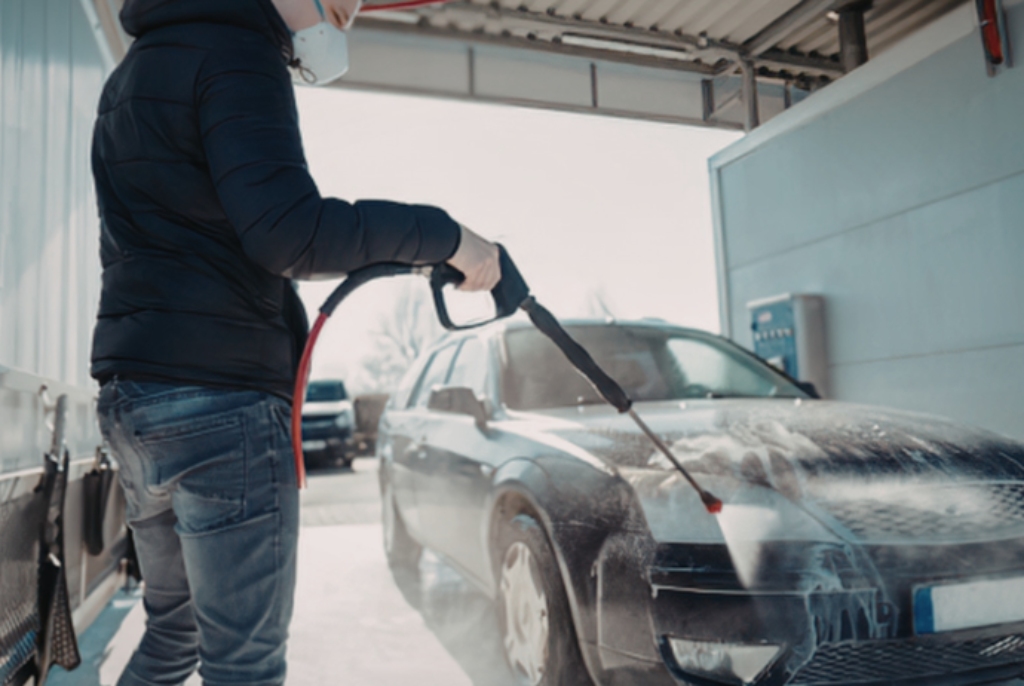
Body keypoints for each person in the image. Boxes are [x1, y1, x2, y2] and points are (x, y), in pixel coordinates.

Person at [91, 0, 500, 684]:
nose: (348, 10)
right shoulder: (235, 53)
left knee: (173, 635)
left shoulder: (131, 75)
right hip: (221, 407)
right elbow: (291, 233)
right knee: (243, 666)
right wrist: (446, 235)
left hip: (137, 402)